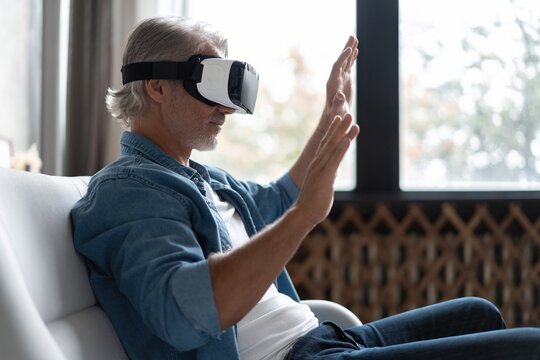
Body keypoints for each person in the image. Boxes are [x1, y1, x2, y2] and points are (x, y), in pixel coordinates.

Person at [71, 16, 540, 360]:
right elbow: (182, 314)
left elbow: (280, 199)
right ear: (155, 85)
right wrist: (303, 220)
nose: (227, 109)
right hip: (299, 357)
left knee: (478, 312)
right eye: (209, 84)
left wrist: (331, 116)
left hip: (326, 336)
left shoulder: (205, 181)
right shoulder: (128, 193)